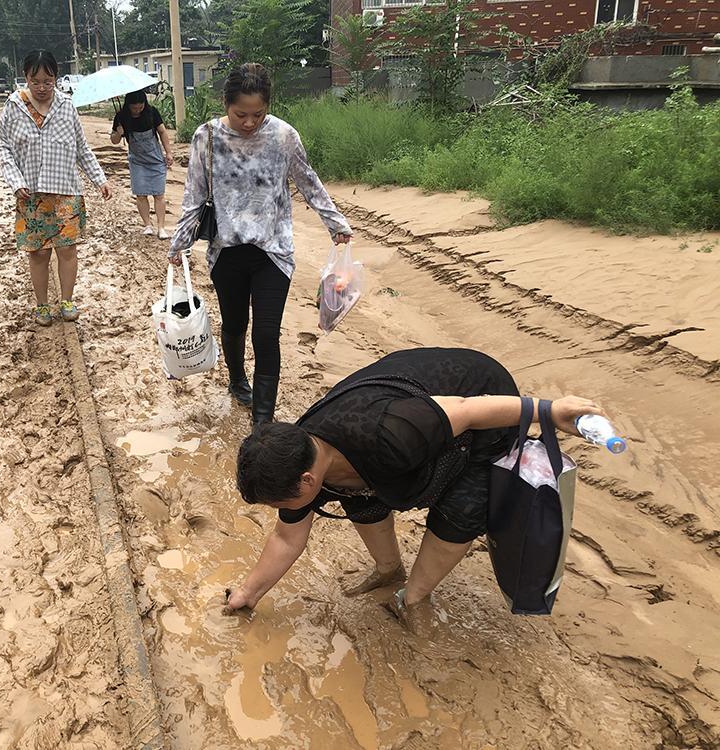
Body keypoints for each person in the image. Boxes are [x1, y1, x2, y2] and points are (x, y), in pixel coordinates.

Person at [227, 348, 606, 630]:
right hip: (407, 394)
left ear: (307, 481)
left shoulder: (390, 433)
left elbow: (468, 410)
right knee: (359, 496)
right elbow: (286, 538)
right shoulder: (300, 454)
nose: (279, 509)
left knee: (461, 509)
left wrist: (550, 411)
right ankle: (389, 569)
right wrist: (248, 593)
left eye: (277, 501)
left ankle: (414, 596)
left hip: (479, 397)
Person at [169, 63, 352, 425]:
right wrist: (180, 244)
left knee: (266, 334)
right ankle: (237, 380)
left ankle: (262, 420)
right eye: (241, 114)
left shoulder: (284, 136)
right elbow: (194, 196)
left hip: (273, 251)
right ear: (225, 103)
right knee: (235, 324)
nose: (250, 123)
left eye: (258, 114)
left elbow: (308, 180)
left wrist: (336, 223)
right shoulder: (206, 137)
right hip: (227, 251)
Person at [0, 50, 112, 325]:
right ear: (25, 78)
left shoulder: (66, 106)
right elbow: (4, 148)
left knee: (67, 250)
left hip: (65, 192)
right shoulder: (13, 107)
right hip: (31, 194)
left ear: (56, 79)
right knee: (38, 252)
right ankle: (41, 305)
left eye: (48, 81)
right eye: (35, 81)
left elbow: (82, 149)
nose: (41, 87)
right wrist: (16, 181)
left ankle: (67, 300)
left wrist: (100, 179)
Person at [111, 89, 173, 239]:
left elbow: (162, 132)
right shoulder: (121, 117)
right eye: (134, 108)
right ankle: (147, 225)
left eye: (141, 106)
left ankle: (161, 227)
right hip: (137, 161)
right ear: (128, 106)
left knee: (159, 194)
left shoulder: (152, 112)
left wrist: (168, 153)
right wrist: (119, 132)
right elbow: (114, 140)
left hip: (155, 159)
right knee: (141, 194)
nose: (138, 110)